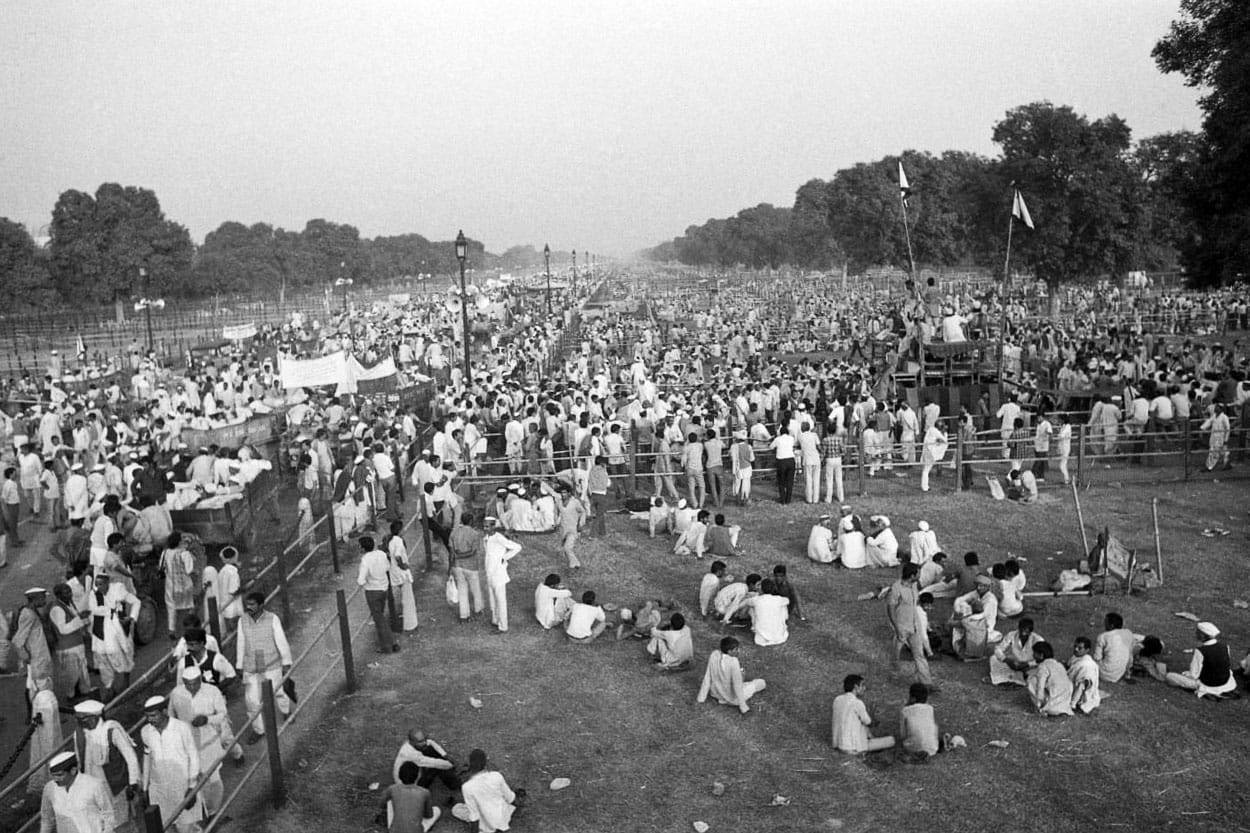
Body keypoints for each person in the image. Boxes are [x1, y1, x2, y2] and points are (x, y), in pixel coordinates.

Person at [169, 665, 243, 817]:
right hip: (188, 743)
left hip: (209, 740)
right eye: (188, 684)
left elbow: (222, 714)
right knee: (195, 778)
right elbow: (171, 715)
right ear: (183, 681)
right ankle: (203, 807)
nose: (192, 687)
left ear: (200, 680)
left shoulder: (212, 691)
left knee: (213, 778)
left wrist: (207, 719)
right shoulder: (176, 693)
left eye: (195, 683)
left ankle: (213, 811)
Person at [71, 699, 141, 830]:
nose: (79, 722)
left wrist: (133, 783)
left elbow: (131, 757)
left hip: (114, 785)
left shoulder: (111, 731)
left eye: (82, 719)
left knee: (122, 822)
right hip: (92, 784)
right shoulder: (79, 734)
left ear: (93, 718)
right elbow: (79, 760)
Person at [140, 695, 205, 833]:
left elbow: (193, 756)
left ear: (164, 711)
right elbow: (147, 758)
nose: (150, 720)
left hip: (182, 787)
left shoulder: (182, 728)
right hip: (159, 789)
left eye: (153, 716)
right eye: (147, 716)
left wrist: (192, 787)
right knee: (165, 827)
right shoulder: (146, 732)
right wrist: (145, 788)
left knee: (187, 827)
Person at [236, 592, 292, 743]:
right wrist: (239, 665)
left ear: (261, 605)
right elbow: (241, 642)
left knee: (278, 691)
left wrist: (286, 662)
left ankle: (286, 711)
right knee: (252, 700)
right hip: (251, 666)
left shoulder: (272, 619)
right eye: (247, 604)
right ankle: (259, 730)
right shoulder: (242, 620)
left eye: (252, 604)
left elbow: (281, 640)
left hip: (270, 663)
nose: (249, 607)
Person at [86, 574, 139, 703]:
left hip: (118, 630)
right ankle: (109, 688)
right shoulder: (94, 594)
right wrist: (113, 609)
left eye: (101, 584)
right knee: (102, 659)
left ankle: (125, 683)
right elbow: (94, 609)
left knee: (123, 655)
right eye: (97, 584)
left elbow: (136, 601)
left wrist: (132, 617)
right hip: (100, 632)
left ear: (108, 582)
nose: (99, 587)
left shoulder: (118, 589)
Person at [883, 564, 935, 690]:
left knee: (919, 655)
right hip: (902, 626)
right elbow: (890, 608)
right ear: (912, 575)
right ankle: (893, 676)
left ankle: (926, 683)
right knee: (896, 655)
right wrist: (896, 627)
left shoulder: (914, 586)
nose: (920, 575)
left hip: (914, 625)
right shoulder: (896, 588)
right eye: (918, 573)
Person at [40, 751, 115, 833]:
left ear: (73, 770)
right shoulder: (49, 788)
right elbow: (47, 819)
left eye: (59, 775)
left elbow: (108, 815)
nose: (55, 779)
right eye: (53, 775)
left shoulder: (94, 785)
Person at [1164, 622, 1237, 698]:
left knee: (1169, 676)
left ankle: (1206, 691)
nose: (1196, 634)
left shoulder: (1201, 651)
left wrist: (1186, 674)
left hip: (1207, 683)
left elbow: (1194, 675)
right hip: (1226, 682)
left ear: (1202, 635)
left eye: (1197, 632)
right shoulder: (1225, 646)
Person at [696, 636, 766, 714]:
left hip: (715, 693)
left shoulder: (714, 654)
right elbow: (737, 685)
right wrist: (743, 707)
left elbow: (707, 677)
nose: (738, 651)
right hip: (731, 698)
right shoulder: (733, 661)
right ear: (729, 651)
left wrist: (701, 698)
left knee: (745, 683)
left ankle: (715, 698)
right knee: (761, 683)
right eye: (736, 649)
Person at [48, 583, 91, 702]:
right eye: (66, 593)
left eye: (70, 591)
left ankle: (81, 694)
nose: (70, 594)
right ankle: (71, 697)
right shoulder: (56, 609)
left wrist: (82, 618)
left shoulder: (67, 604)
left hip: (76, 643)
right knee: (71, 674)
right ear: (58, 595)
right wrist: (79, 618)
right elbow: (63, 629)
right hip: (67, 647)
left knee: (80, 671)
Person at [831, 674, 894, 754]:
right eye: (862, 685)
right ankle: (868, 747)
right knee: (891, 740)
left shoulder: (837, 699)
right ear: (856, 687)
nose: (864, 688)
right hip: (852, 748)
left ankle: (871, 739)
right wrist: (875, 722)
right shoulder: (857, 703)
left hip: (838, 745)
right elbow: (868, 722)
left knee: (860, 723)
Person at [458, 749, 517, 833]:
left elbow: (474, 817)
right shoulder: (496, 775)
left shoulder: (467, 787)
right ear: (485, 763)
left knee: (456, 809)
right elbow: (511, 798)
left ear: (470, 764)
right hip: (503, 816)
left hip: (488, 824)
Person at [358, 535, 399, 654]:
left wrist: (365, 581)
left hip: (372, 591)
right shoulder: (381, 554)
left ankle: (389, 644)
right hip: (384, 588)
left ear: (363, 548)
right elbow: (387, 567)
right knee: (380, 616)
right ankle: (389, 642)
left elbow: (361, 580)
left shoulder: (365, 559)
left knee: (379, 619)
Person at [391, 728, 461, 795]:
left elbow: (431, 742)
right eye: (420, 741)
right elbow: (434, 763)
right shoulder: (411, 754)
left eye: (424, 739)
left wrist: (445, 755)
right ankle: (454, 784)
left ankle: (452, 779)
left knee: (430, 750)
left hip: (412, 772)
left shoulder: (410, 743)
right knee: (437, 767)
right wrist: (450, 764)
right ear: (412, 742)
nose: (424, 742)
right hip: (409, 786)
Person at [483, 519, 522, 633]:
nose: (485, 529)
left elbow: (517, 547)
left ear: (493, 527)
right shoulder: (485, 538)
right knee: (492, 599)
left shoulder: (499, 538)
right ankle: (495, 620)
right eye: (484, 526)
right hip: (489, 573)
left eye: (487, 526)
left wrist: (504, 557)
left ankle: (503, 626)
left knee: (500, 601)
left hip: (498, 574)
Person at [159, 531, 197, 641]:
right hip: (185, 585)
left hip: (170, 585)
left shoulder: (165, 553)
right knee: (189, 606)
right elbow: (189, 570)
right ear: (179, 542)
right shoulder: (185, 554)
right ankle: (189, 627)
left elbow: (161, 567)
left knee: (171, 608)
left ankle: (172, 630)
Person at [449, 511, 486, 622]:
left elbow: (451, 552)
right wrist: (461, 555)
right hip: (471, 566)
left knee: (462, 590)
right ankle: (478, 609)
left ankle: (464, 615)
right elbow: (473, 552)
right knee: (475, 588)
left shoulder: (454, 533)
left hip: (457, 566)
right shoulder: (475, 534)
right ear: (471, 521)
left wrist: (451, 566)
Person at [384, 761, 441, 833]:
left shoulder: (392, 789)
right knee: (437, 810)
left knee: (390, 801)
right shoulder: (424, 792)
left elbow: (381, 804)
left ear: (399, 775)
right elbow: (429, 815)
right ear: (418, 776)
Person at [28, 675, 62, 797]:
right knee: (46, 741)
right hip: (44, 697)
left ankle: (49, 776)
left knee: (49, 741)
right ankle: (45, 776)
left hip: (44, 698)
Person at [988, 618, 1042, 686]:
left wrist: (1028, 664)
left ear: (1030, 632)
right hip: (1014, 663)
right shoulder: (1012, 635)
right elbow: (998, 649)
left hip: (1030, 666)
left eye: (1026, 632)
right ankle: (1018, 678)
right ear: (1018, 628)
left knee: (1041, 668)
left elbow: (1044, 657)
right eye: (1021, 631)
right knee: (993, 658)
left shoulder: (1038, 640)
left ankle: (1015, 677)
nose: (1022, 634)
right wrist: (1006, 660)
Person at [1026, 642, 1074, 717]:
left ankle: (1043, 708)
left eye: (1035, 653)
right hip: (1065, 705)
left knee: (1031, 680)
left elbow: (1040, 685)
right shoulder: (1059, 664)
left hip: (1051, 705)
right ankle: (1059, 708)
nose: (1033, 656)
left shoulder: (1043, 666)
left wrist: (1038, 703)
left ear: (1041, 655)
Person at [387, 520, 418, 633]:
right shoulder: (399, 541)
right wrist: (403, 565)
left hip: (395, 572)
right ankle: (410, 625)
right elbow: (398, 556)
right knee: (408, 598)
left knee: (406, 597)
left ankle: (409, 624)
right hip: (401, 572)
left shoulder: (391, 541)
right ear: (400, 530)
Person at [897, 683, 940, 760]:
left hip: (913, 749)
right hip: (933, 748)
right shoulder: (930, 708)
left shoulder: (905, 711)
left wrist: (905, 705)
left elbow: (902, 735)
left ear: (912, 698)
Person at [1093, 612, 1137, 683]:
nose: (1104, 625)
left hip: (1103, 674)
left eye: (1106, 622)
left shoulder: (1103, 636)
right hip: (1120, 673)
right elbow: (1130, 657)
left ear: (1111, 626)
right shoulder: (1129, 633)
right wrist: (1128, 673)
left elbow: (1097, 658)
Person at [747, 579, 790, 647]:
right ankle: (780, 625)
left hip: (761, 638)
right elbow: (787, 600)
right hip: (779, 636)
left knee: (752, 608)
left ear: (761, 589)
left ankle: (753, 627)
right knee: (783, 606)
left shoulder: (756, 600)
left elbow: (748, 602)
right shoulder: (778, 599)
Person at [1067, 636, 1102, 714]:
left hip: (1082, 693)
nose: (1076, 649)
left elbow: (1083, 685)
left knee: (1082, 682)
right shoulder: (1075, 657)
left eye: (1080, 648)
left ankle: (1073, 705)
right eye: (1075, 646)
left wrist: (1073, 703)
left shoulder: (1087, 665)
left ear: (1087, 650)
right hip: (1073, 684)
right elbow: (1068, 666)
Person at [556, 489, 587, 570]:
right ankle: (576, 563)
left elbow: (583, 512)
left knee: (567, 547)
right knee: (565, 548)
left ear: (569, 493)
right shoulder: (559, 502)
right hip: (563, 529)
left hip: (573, 528)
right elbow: (557, 513)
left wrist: (581, 524)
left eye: (565, 492)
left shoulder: (575, 502)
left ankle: (573, 564)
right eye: (562, 492)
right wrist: (556, 523)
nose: (563, 494)